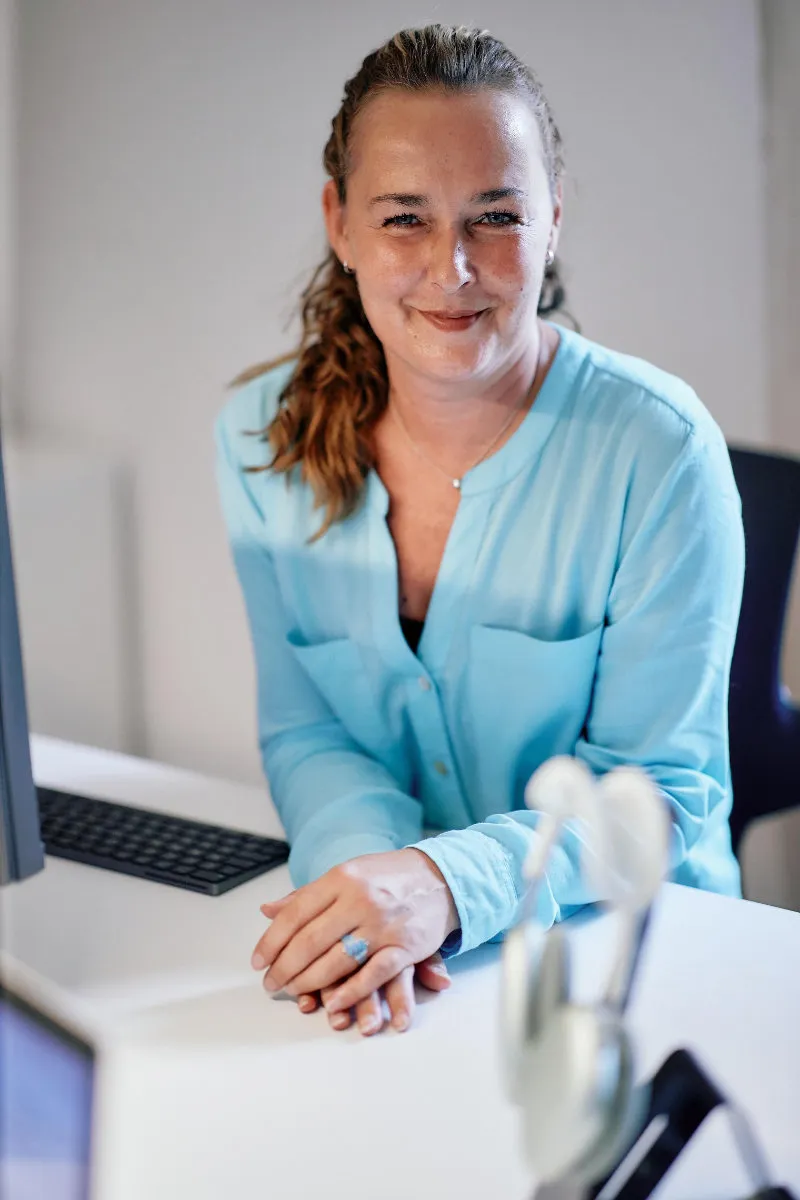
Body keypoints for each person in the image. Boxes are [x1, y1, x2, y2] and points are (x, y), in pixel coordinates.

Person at [214, 24, 745, 1038]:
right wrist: (367, 904)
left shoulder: (657, 450)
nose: (449, 269)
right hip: (416, 975)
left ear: (551, 220)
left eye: (493, 215)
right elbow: (310, 730)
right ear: (339, 223)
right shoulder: (251, 436)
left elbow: (663, 790)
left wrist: (442, 886)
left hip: (630, 962)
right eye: (403, 217)